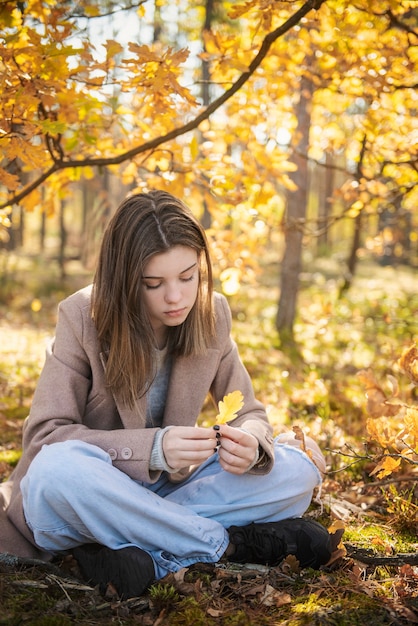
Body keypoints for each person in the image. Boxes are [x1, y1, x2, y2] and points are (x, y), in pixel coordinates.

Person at [0, 190, 334, 599]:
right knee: (57, 469)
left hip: (168, 492)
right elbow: (45, 438)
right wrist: (153, 449)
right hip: (88, 495)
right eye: (153, 283)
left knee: (295, 469)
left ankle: (140, 553)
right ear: (124, 279)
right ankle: (225, 545)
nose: (176, 297)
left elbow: (249, 410)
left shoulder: (213, 316)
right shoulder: (81, 317)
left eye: (188, 276)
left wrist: (253, 444)